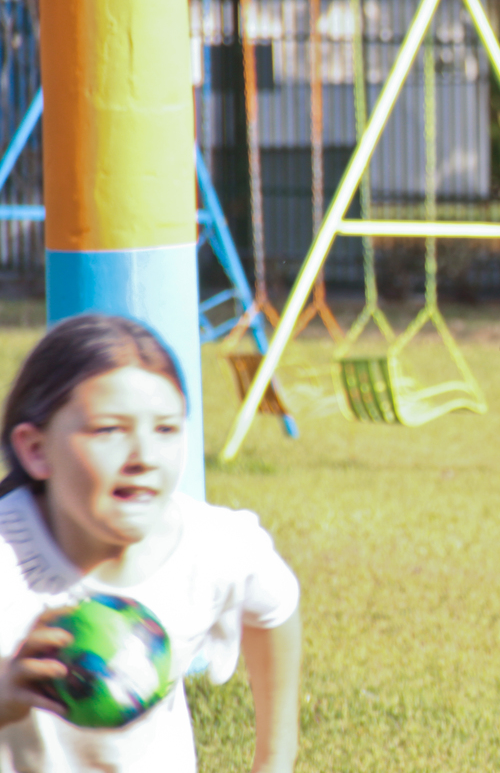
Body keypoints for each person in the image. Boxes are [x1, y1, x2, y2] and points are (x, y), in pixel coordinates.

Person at [0, 314, 301, 773]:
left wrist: (274, 762)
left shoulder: (211, 547)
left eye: (165, 429)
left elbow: (275, 608)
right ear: (36, 450)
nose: (144, 457)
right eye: (109, 430)